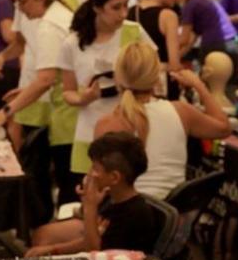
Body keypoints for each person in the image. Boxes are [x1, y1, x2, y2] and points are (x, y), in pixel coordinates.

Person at [0, 0, 80, 205]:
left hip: (68, 117)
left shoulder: (49, 26)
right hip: (72, 112)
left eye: (23, 2)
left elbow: (46, 79)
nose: (20, 9)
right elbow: (57, 73)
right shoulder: (61, 15)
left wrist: (5, 112)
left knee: (69, 185)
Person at [95, 41, 230, 199]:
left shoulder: (107, 124)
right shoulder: (180, 111)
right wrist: (198, 85)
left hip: (129, 217)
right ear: (156, 77)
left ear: (118, 77)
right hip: (173, 213)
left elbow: (100, 184)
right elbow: (223, 128)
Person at [60, 0, 150, 174]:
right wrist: (84, 98)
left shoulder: (135, 32)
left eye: (126, 5)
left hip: (130, 130)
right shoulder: (72, 43)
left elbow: (154, 74)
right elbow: (67, 92)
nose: (123, 13)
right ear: (97, 8)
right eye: (116, 7)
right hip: (90, 129)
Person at [28, 131, 164, 257]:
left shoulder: (134, 213)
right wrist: (52, 250)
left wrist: (90, 206)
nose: (89, 173)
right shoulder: (111, 197)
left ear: (114, 177)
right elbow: (91, 237)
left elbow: (96, 253)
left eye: (95, 168)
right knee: (41, 236)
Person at [127, 0, 182, 98]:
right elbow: (174, 65)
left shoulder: (130, 12)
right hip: (162, 88)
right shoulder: (168, 16)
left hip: (136, 85)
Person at [177, 0, 238, 67]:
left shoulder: (189, 6)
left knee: (206, 74)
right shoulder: (200, 1)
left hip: (210, 44)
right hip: (224, 42)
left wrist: (169, 50)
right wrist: (178, 56)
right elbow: (192, 38)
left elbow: (184, 39)